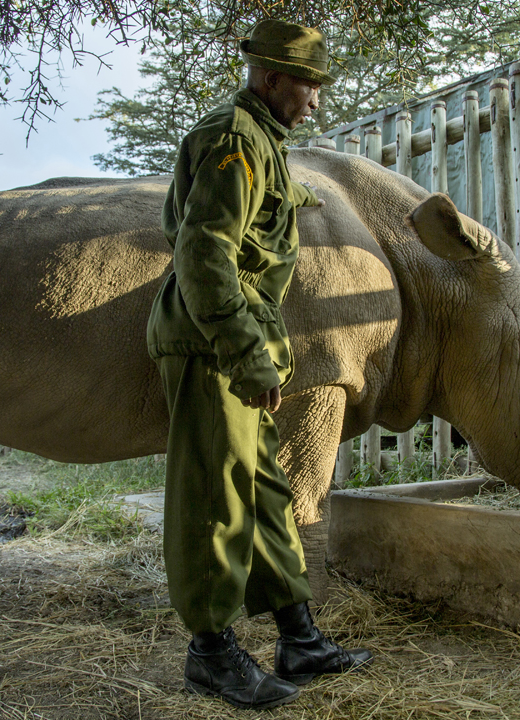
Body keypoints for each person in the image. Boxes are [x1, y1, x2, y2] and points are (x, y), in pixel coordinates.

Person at [146, 18, 372, 711]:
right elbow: (203, 253)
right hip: (218, 347)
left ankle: (297, 636)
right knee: (216, 498)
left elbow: (238, 220)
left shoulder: (257, 142)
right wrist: (245, 353)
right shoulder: (233, 140)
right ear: (270, 78)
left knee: (263, 493)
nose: (313, 101)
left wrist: (296, 196)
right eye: (306, 85)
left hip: (241, 347)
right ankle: (210, 654)